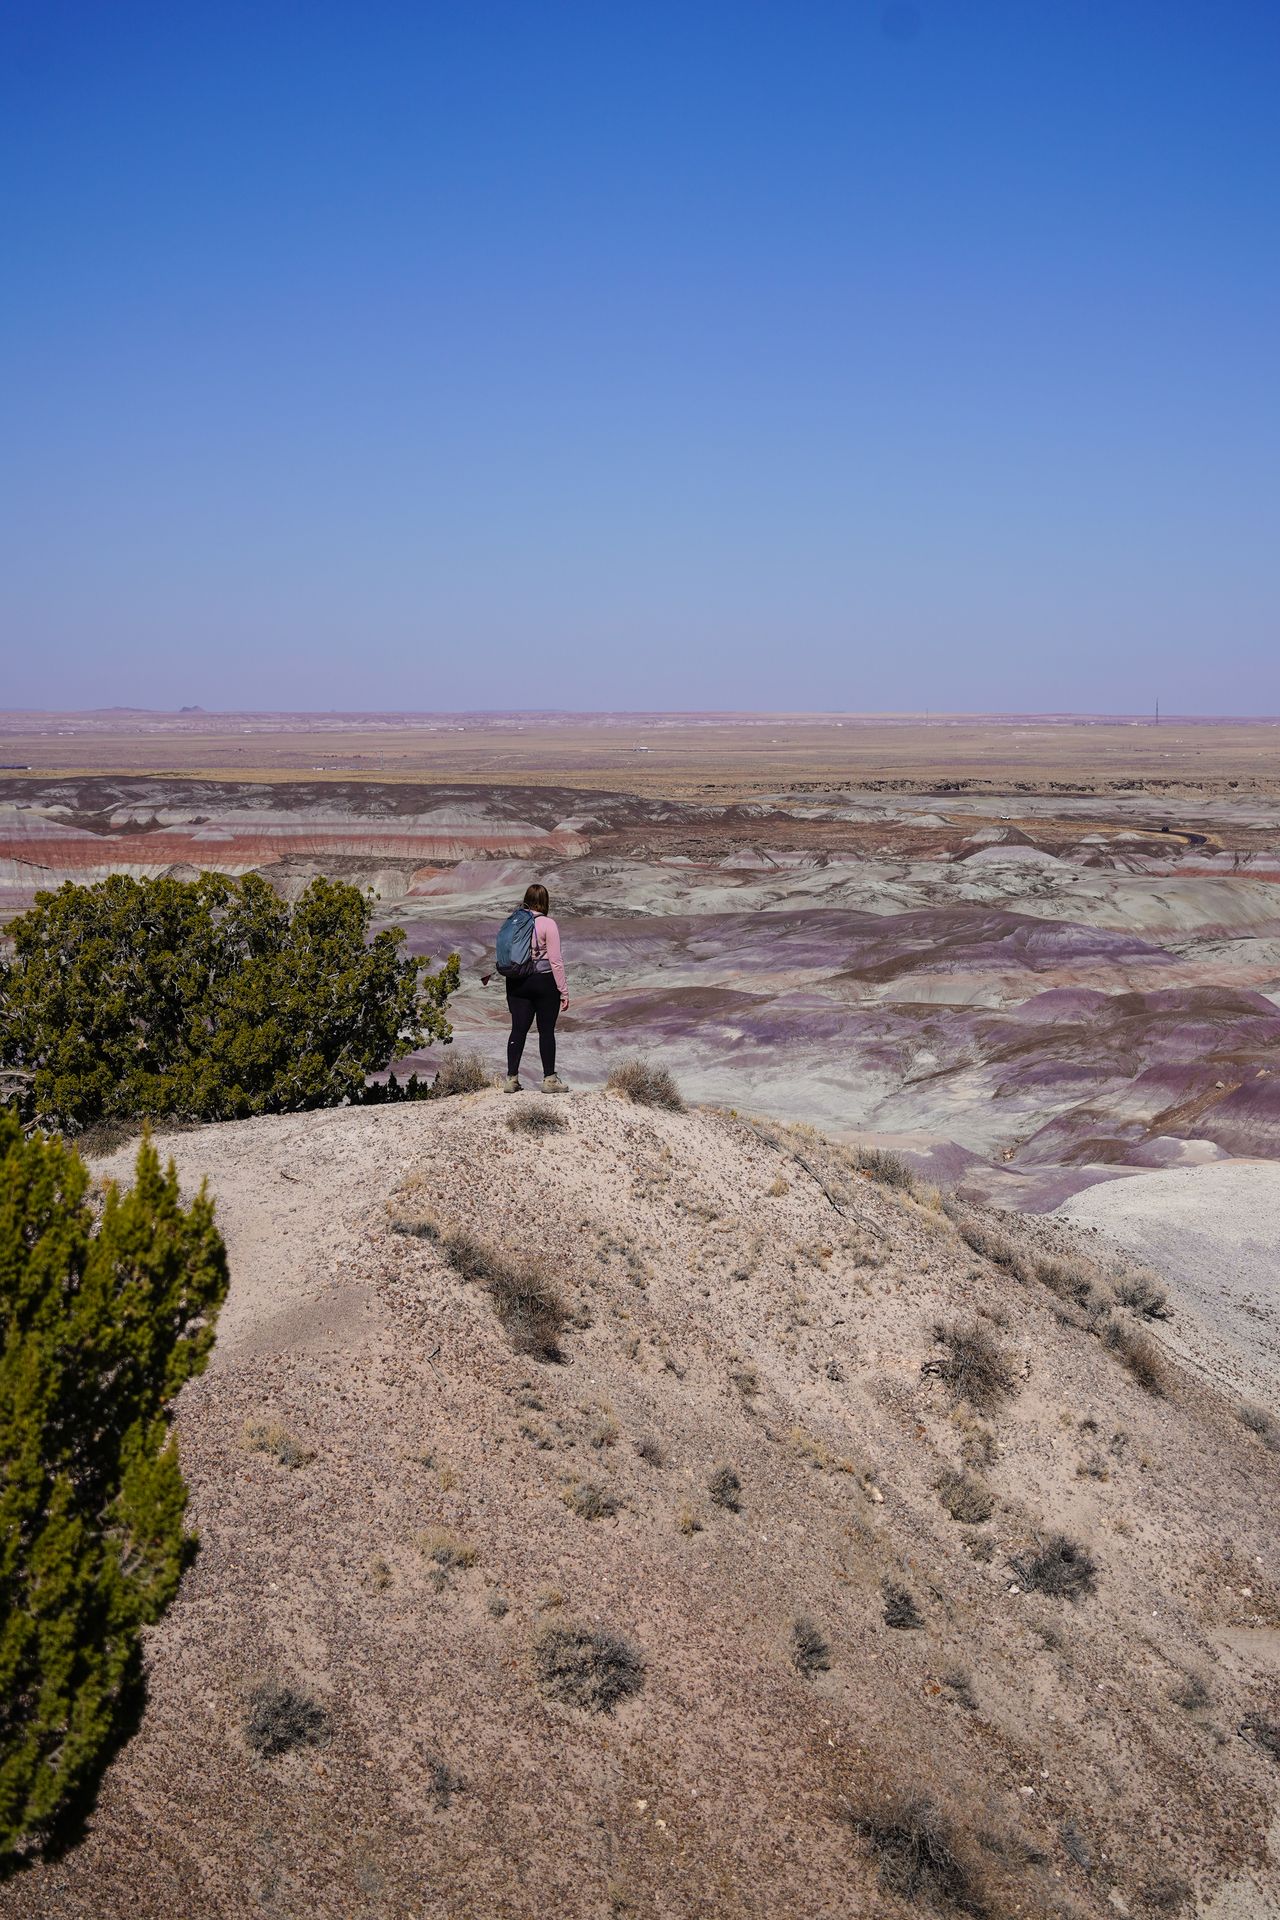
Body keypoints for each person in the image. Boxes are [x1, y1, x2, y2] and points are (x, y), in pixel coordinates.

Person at [505, 883, 569, 1092]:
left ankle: (511, 1079)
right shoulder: (548, 924)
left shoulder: (513, 921)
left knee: (517, 1030)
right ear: (545, 902)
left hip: (516, 982)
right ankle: (549, 1080)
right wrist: (563, 991)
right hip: (543, 981)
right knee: (546, 1031)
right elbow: (556, 961)